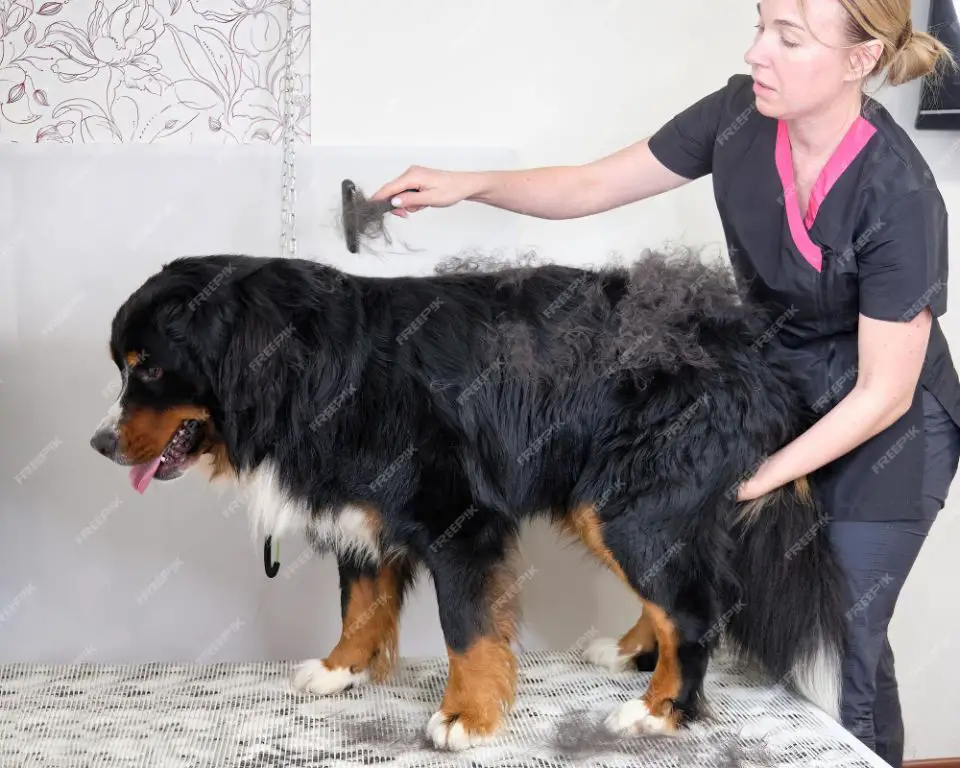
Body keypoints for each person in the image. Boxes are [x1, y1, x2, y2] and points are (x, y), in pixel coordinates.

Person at [369, 0, 960, 765]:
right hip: (776, 397)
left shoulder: (900, 197)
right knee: (753, 630)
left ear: (860, 60)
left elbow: (884, 391)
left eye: (789, 37)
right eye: (759, 25)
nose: (758, 53)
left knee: (840, 638)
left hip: (889, 430)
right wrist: (467, 183)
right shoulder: (737, 116)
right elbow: (588, 186)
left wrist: (753, 480)